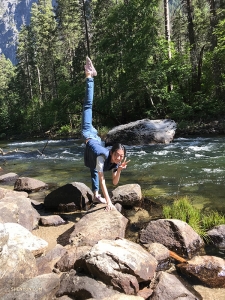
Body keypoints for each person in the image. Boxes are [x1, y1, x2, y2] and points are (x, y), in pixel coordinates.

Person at [82, 57, 130, 211]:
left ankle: (95, 195)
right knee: (88, 106)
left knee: (93, 165)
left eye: (121, 156)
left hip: (95, 140)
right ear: (112, 152)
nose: (119, 158)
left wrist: (120, 169)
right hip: (88, 133)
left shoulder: (116, 160)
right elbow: (104, 180)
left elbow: (115, 182)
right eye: (117, 155)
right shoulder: (103, 157)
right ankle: (89, 75)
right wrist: (109, 202)